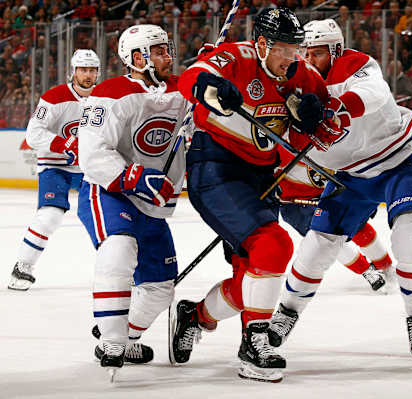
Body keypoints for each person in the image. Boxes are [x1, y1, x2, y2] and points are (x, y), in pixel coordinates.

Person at [170, 7, 337, 383]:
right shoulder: (238, 56)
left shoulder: (302, 75)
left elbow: (324, 123)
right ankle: (255, 343)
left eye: (296, 49)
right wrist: (207, 88)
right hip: (215, 166)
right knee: (274, 245)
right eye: (282, 48)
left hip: (262, 175)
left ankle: (194, 316)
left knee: (251, 273)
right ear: (261, 44)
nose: (290, 57)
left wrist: (312, 116)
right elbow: (193, 76)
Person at [268, 19, 412, 360]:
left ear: (334, 49)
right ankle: (287, 311)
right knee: (316, 246)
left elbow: (371, 94)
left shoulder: (354, 63)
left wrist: (335, 108)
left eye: (316, 53)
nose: (309, 60)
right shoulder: (298, 82)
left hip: (398, 161)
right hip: (351, 176)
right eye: (305, 53)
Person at [76, 24, 187, 377]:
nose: (167, 57)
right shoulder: (110, 93)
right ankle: (111, 338)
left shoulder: (183, 91)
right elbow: (92, 152)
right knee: (119, 250)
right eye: (158, 51)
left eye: (167, 49)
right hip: (110, 192)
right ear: (136, 57)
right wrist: (134, 176)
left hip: (151, 202)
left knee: (161, 288)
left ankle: (126, 336)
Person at [8, 49, 100, 291]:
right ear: (73, 71)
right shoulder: (55, 96)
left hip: (88, 167)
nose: (88, 74)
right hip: (54, 165)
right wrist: (63, 144)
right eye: (83, 69)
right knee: (50, 215)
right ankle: (22, 266)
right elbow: (33, 133)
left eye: (92, 70)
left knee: (102, 215)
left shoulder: (104, 98)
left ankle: (119, 268)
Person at [275, 142, 394, 293]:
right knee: (327, 239)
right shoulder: (284, 145)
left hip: (327, 193)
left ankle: (387, 268)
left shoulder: (333, 139)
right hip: (295, 205)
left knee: (359, 227)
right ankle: (367, 271)